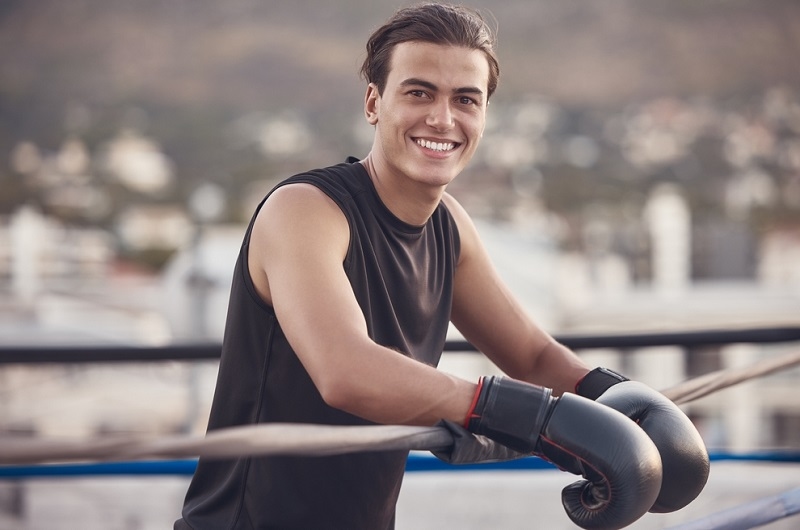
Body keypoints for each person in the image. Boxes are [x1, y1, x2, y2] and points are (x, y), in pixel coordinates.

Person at [175, 4, 707, 529]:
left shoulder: (448, 226)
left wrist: (616, 398)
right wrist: (535, 418)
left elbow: (531, 353)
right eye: (419, 92)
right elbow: (345, 371)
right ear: (373, 103)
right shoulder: (305, 210)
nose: (442, 118)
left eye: (465, 100)